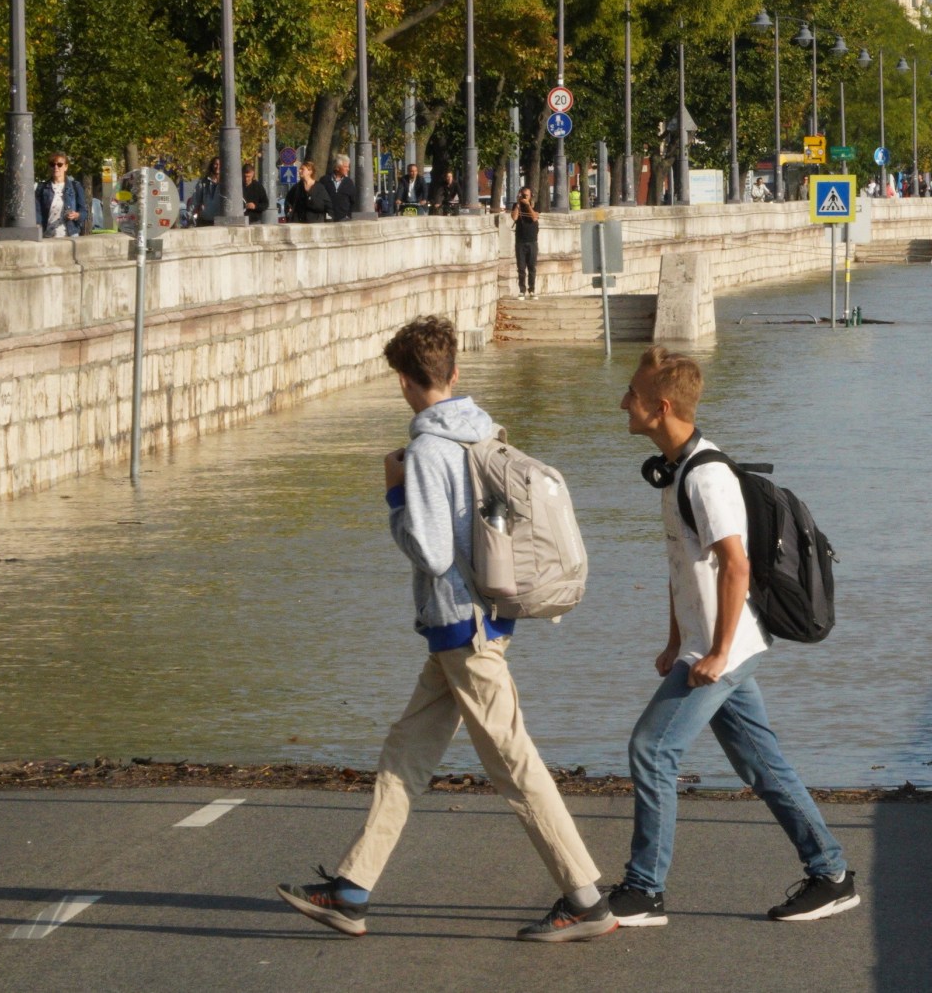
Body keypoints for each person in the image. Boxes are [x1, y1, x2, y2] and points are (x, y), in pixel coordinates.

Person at [277, 316, 614, 943]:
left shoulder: (429, 450)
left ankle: (586, 899)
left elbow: (431, 553)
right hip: (483, 618)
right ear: (454, 373)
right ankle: (351, 890)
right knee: (406, 751)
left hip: (463, 627)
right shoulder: (483, 430)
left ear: (405, 382)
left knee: (515, 763)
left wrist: (395, 498)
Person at [607, 348, 857, 929]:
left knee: (651, 749)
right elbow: (684, 567)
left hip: (725, 649)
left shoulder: (707, 476)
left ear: (660, 406)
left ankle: (644, 890)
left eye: (632, 395)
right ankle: (831, 874)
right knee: (763, 765)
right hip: (715, 646)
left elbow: (736, 565)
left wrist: (715, 651)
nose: (623, 402)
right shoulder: (676, 469)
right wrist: (674, 638)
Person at [35, 153, 86, 238]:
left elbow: (84, 212)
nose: (56, 167)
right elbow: (37, 213)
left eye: (59, 164)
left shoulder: (75, 187)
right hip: (47, 236)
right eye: (52, 164)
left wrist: (77, 215)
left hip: (70, 235)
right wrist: (38, 226)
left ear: (66, 167)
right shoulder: (42, 188)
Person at [511, 186, 540, 297]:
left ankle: (531, 289)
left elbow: (534, 218)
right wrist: (518, 204)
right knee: (521, 268)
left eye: (526, 195)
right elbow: (514, 218)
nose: (524, 197)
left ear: (530, 196)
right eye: (522, 195)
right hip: (520, 241)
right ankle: (522, 290)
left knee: (532, 267)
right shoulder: (516, 205)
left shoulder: (535, 205)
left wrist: (528, 205)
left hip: (532, 241)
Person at [187, 160, 221, 227]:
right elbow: (195, 201)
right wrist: (191, 217)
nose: (218, 166)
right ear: (212, 165)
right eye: (215, 164)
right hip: (205, 221)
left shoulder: (227, 183)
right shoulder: (203, 182)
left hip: (221, 222)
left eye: (220, 164)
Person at [327, 155, 357, 222]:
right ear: (337, 168)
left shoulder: (349, 182)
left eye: (348, 167)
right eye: (345, 167)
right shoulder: (325, 180)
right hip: (328, 218)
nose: (348, 169)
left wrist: (348, 215)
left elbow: (353, 201)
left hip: (344, 219)